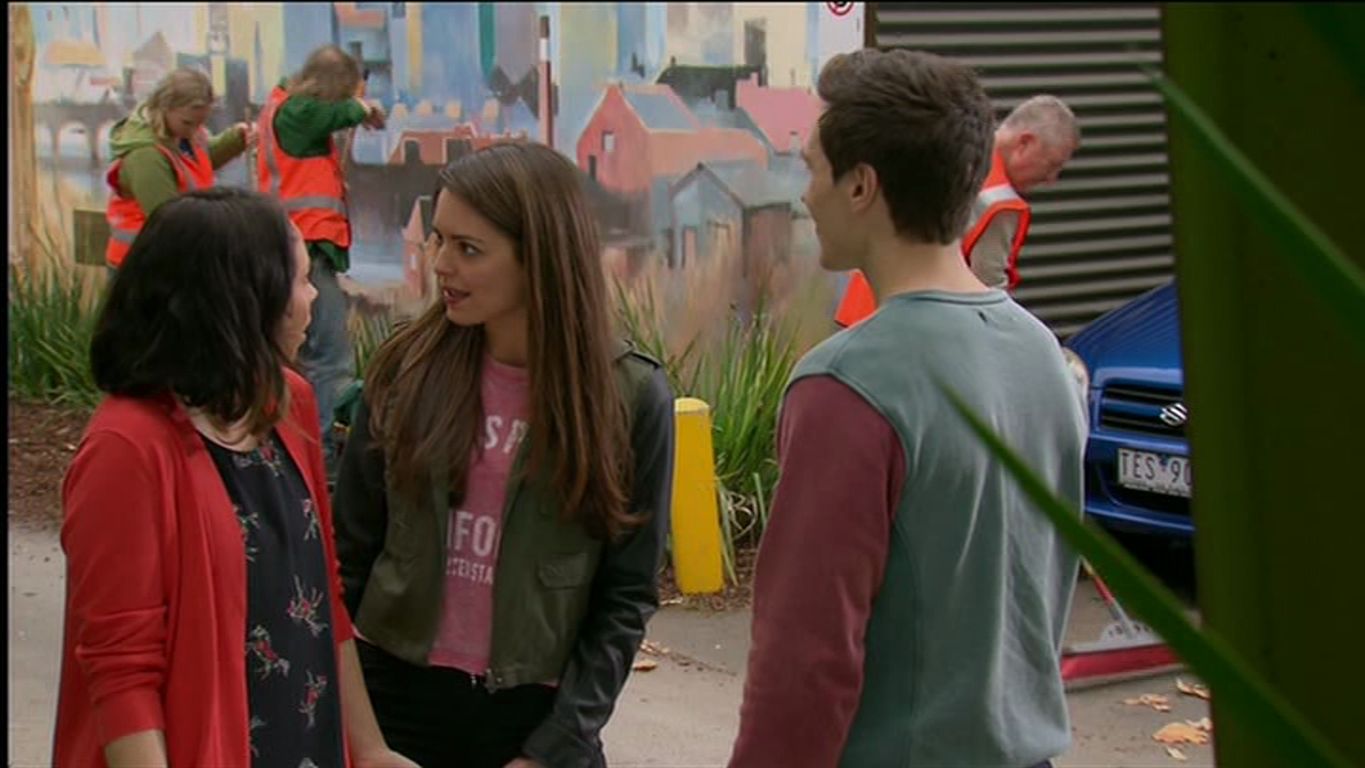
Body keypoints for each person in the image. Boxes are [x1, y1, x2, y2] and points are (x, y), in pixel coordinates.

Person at [728, 50, 1086, 768]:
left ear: (861, 185)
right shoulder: (1045, 357)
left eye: (813, 169)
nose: (806, 196)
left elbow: (805, 660)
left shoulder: (846, 385)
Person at [333, 142, 675, 768]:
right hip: (394, 709)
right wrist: (358, 734)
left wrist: (556, 744)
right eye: (439, 240)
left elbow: (626, 596)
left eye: (469, 249)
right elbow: (346, 561)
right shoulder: (405, 372)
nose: (441, 264)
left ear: (538, 257)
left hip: (537, 719)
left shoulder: (630, 396)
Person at [55, 188, 417, 768]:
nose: (313, 298)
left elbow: (323, 597)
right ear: (243, 302)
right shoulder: (127, 447)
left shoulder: (288, 401)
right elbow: (121, 673)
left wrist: (370, 749)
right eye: (301, 280)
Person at [833, 93, 1080, 325]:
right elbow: (989, 294)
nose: (1051, 179)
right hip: (914, 326)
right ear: (1025, 143)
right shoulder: (999, 203)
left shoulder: (944, 149)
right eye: (1052, 165)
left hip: (864, 306)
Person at [256, 44, 387, 475]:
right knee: (330, 357)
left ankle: (300, 452)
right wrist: (361, 108)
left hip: (298, 247)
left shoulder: (287, 110)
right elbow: (329, 114)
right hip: (305, 247)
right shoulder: (297, 113)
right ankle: (325, 461)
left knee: (304, 357)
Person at [104, 68, 255, 269]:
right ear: (165, 107)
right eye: (188, 123)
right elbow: (168, 218)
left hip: (169, 256)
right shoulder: (145, 156)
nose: (194, 131)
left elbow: (198, 162)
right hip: (142, 266)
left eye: (200, 123)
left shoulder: (179, 132)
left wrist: (236, 140)